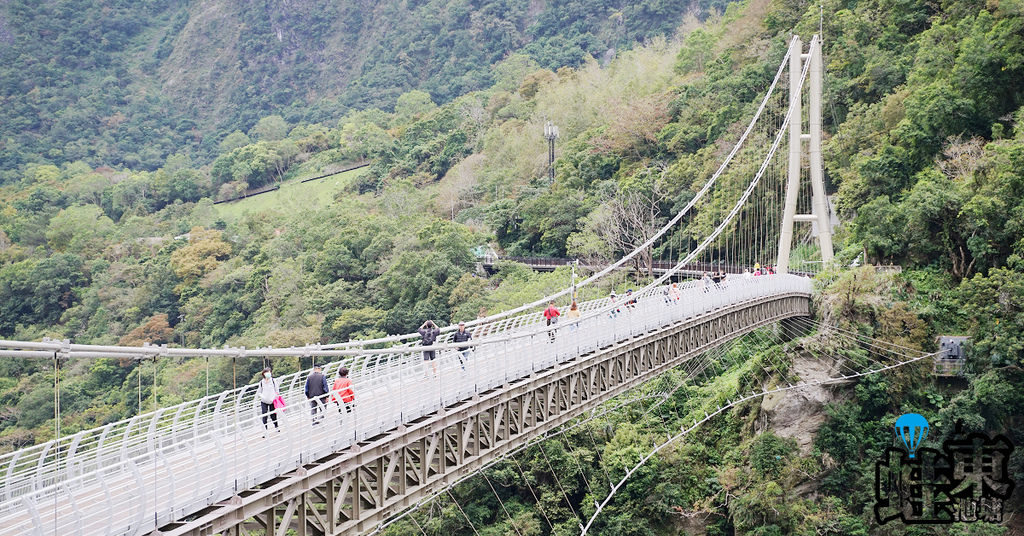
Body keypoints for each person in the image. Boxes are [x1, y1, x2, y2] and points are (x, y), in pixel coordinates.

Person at [255, 367, 281, 434]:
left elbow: (277, 390)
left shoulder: (273, 381)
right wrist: (262, 396)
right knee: (264, 415)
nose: (268, 374)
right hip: (264, 401)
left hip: (272, 400)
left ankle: (276, 427)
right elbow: (259, 391)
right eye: (267, 372)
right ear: (264, 374)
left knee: (273, 415)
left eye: (269, 372)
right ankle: (265, 431)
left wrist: (275, 397)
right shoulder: (261, 382)